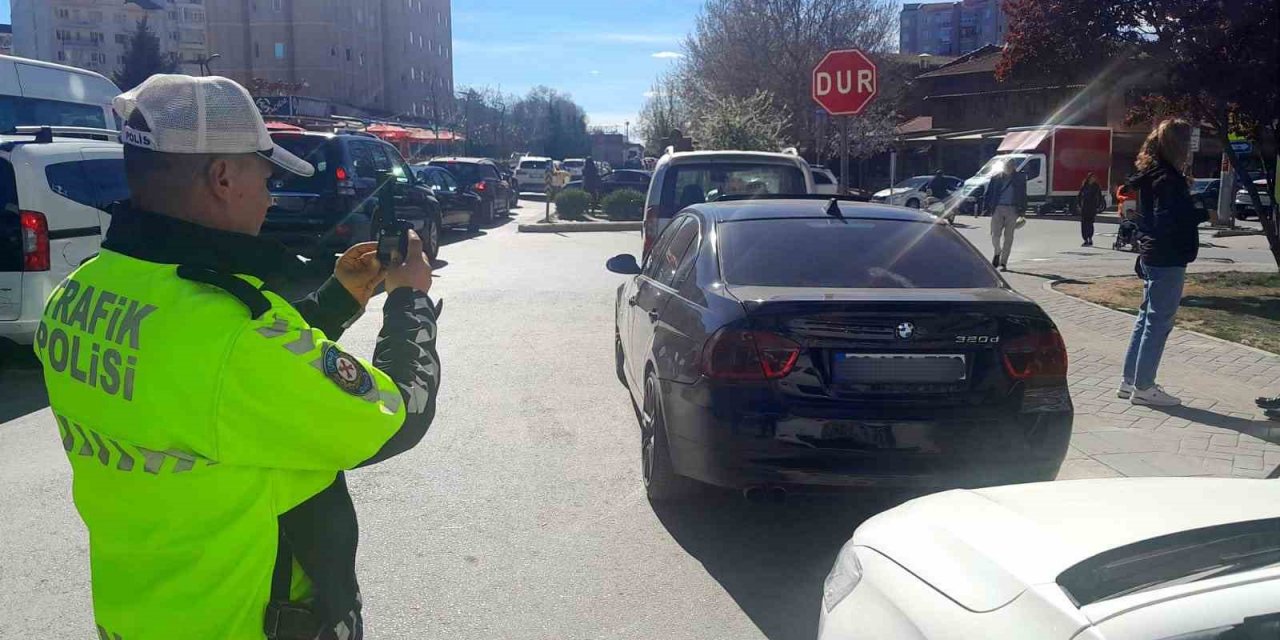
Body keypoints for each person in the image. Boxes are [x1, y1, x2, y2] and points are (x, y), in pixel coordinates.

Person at [33, 74, 442, 639]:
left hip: (134, 615)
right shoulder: (229, 332)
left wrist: (339, 298)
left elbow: (211, 389)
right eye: (266, 175)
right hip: (247, 622)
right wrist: (409, 298)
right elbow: (399, 416)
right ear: (224, 176)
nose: (271, 196)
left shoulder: (78, 293)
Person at [1118, 118, 1205, 407]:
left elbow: (1151, 217)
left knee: (1146, 318)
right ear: (1179, 145)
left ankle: (1131, 380)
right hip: (1167, 256)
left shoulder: (1151, 173)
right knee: (1158, 321)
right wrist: (1199, 214)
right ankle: (1143, 387)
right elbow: (1170, 218)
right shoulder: (1167, 178)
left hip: (1152, 253)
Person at [983, 160, 1027, 271]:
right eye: (1007, 166)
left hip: (1012, 209)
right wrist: (987, 207)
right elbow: (989, 193)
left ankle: (1003, 263)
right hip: (998, 208)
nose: (1009, 167)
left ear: (1014, 167)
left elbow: (1023, 194)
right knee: (995, 235)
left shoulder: (1019, 178)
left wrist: (1022, 211)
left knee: (1008, 237)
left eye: (1011, 166)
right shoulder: (996, 177)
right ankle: (997, 251)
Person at [1077, 172, 1105, 246]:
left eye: (1094, 178)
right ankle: (1085, 239)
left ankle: (1090, 238)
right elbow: (1080, 196)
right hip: (1085, 207)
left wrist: (1098, 206)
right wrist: (1079, 205)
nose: (1093, 179)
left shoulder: (1096, 186)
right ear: (1088, 178)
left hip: (1092, 207)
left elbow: (1099, 196)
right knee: (1084, 224)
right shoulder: (1084, 186)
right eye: (1091, 177)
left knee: (1090, 223)